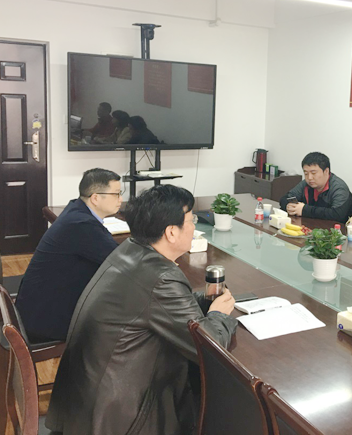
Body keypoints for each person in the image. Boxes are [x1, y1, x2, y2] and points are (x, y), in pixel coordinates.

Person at [46, 185, 237, 435]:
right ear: (171, 232)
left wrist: (203, 300)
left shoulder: (131, 249)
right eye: (191, 221)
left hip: (84, 406)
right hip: (115, 418)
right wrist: (219, 315)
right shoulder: (162, 277)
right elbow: (209, 347)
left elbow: (154, 305)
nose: (194, 227)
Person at [15, 168, 121, 342]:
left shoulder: (76, 210)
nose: (120, 200)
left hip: (36, 309)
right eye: (116, 194)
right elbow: (121, 261)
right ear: (95, 198)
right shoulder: (82, 224)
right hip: (46, 322)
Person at [279, 152, 352, 223]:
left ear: (326, 171)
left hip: (335, 230)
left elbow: (337, 214)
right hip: (311, 225)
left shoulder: (339, 188)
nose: (309, 177)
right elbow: (285, 198)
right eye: (306, 173)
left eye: (313, 173)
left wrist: (304, 210)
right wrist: (289, 206)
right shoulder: (306, 183)